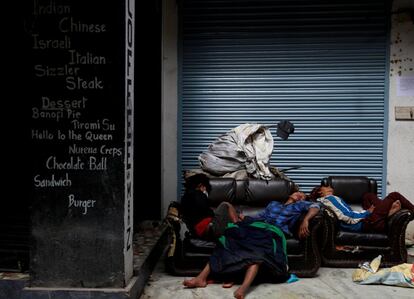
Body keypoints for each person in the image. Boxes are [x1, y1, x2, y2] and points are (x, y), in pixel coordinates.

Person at [183, 217, 290, 299]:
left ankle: (243, 287)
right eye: (297, 193)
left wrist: (306, 219)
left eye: (302, 194)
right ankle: (200, 278)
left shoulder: (299, 206)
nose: (299, 195)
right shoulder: (272, 205)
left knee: (258, 252)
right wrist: (243, 219)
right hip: (250, 226)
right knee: (225, 242)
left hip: (269, 229)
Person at [310, 185, 414, 233]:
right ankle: (387, 215)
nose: (330, 187)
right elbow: (347, 216)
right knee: (394, 195)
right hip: (366, 224)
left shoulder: (327, 200)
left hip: (366, 220)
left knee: (368, 196)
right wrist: (367, 213)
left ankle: (385, 215)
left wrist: (367, 211)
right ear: (320, 191)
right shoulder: (329, 198)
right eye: (326, 186)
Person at [180, 173, 242, 239]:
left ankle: (238, 225)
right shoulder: (199, 195)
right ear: (201, 186)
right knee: (226, 205)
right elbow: (209, 214)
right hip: (209, 229)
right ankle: (239, 228)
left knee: (234, 214)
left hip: (195, 232)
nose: (206, 190)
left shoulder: (184, 198)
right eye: (205, 187)